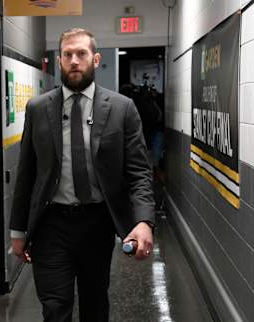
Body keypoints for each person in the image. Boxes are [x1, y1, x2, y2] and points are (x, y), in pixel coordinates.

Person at [9, 28, 155, 322]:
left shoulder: (121, 109)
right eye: (67, 54)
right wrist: (17, 231)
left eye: (81, 54)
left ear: (96, 59)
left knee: (94, 303)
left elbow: (139, 171)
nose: (74, 60)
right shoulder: (38, 108)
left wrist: (143, 220)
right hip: (50, 225)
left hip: (97, 223)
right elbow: (27, 172)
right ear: (60, 59)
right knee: (54, 307)